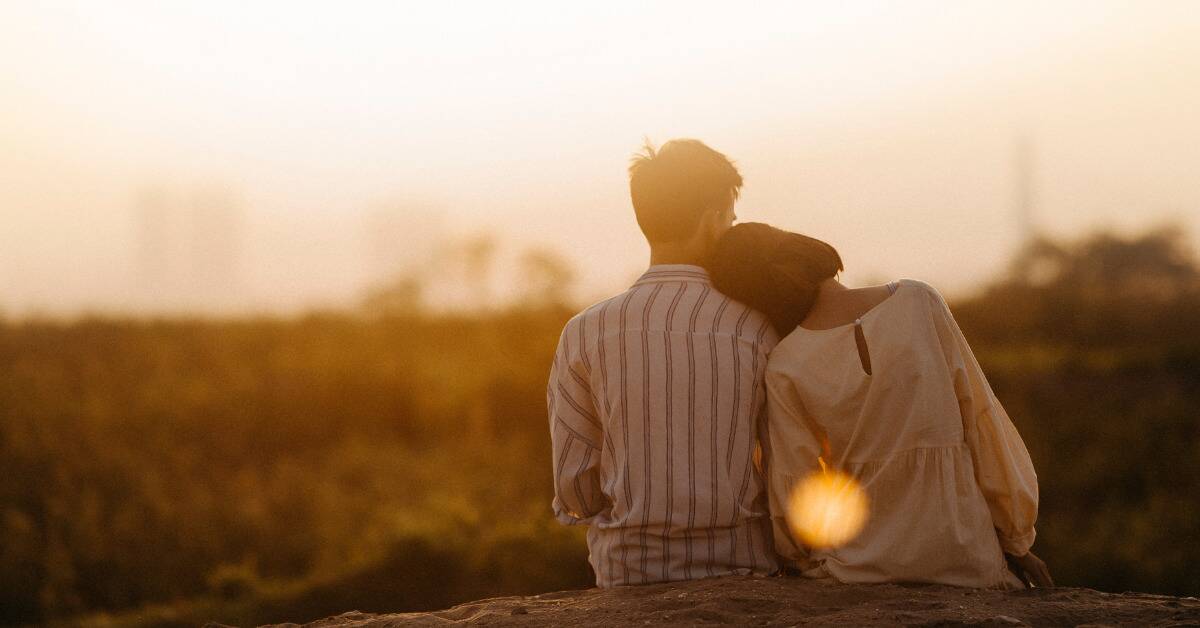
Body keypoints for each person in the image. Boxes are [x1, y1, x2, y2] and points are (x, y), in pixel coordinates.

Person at [704, 222, 1054, 589]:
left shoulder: (785, 364)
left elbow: (797, 485)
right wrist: (1016, 539)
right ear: (802, 248)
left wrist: (798, 557)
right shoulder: (919, 301)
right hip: (965, 556)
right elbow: (982, 422)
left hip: (859, 567)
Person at [547, 140, 781, 587]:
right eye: (730, 220)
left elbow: (574, 488)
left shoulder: (585, 331)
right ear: (713, 221)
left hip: (629, 573)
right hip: (744, 569)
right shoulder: (758, 327)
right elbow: (784, 466)